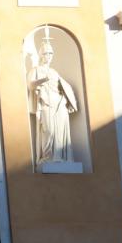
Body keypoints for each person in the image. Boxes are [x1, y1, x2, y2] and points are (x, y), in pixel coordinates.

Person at [29, 35, 79, 166]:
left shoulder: (54, 72)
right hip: (46, 104)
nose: (49, 56)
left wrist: (67, 98)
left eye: (51, 53)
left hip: (59, 103)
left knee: (60, 131)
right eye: (46, 53)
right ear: (41, 55)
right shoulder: (36, 70)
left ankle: (60, 157)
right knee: (49, 130)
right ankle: (48, 157)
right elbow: (31, 85)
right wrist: (43, 80)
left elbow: (62, 86)